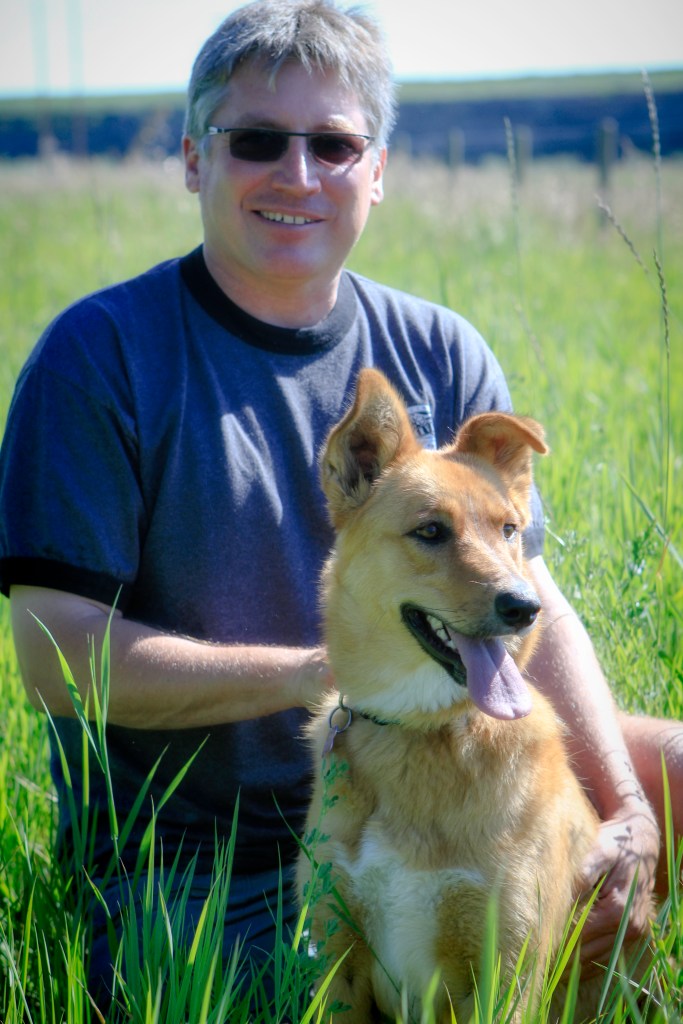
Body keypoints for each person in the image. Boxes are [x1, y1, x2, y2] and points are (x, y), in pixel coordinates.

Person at [0, 0, 680, 1009]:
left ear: (377, 171)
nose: (297, 173)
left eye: (333, 143)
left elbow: (528, 586)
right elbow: (56, 657)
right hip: (210, 854)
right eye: (257, 140)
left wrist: (624, 809)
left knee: (670, 767)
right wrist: (338, 675)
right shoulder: (99, 357)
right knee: (219, 992)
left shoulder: (440, 348)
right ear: (193, 159)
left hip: (453, 772)